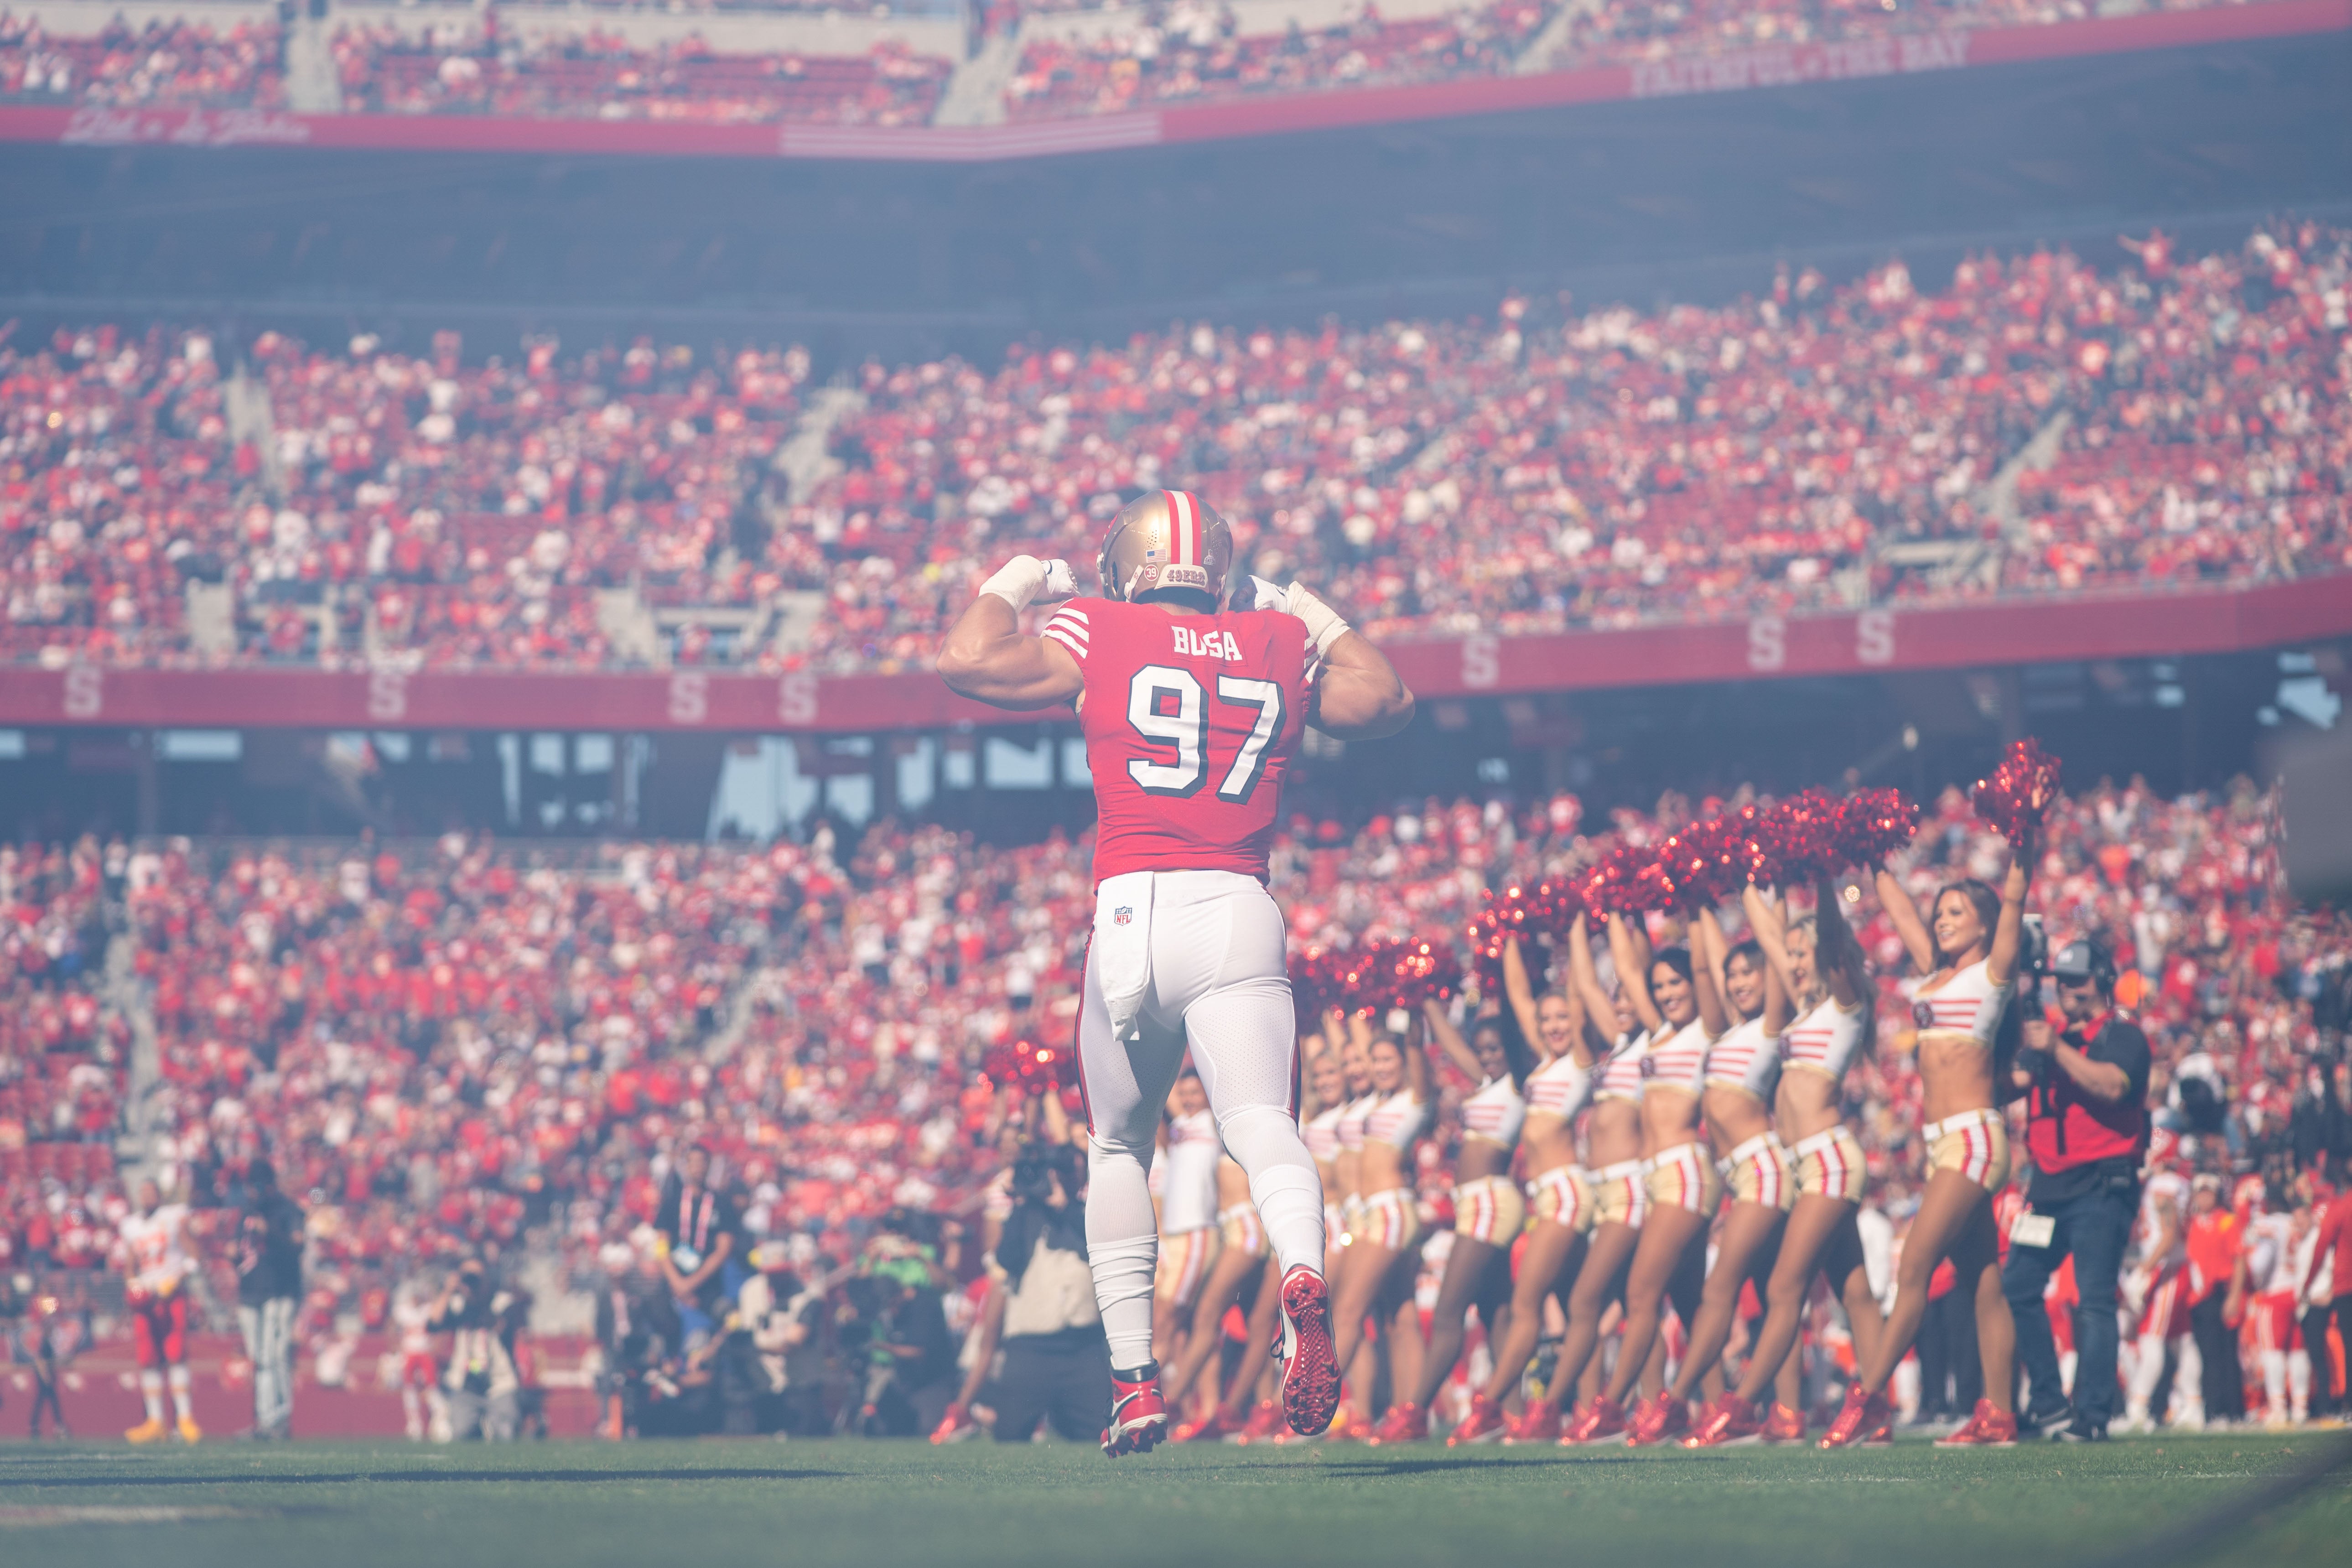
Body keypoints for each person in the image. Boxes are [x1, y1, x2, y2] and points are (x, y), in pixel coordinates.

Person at [936, 489, 1415, 1454]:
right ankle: (1300, 1276)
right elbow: (1386, 698)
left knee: (1116, 1146)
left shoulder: (1099, 626)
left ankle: (1134, 1387)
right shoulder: (1277, 641)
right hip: (1238, 905)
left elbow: (969, 660)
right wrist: (1305, 608)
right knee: (1260, 1122)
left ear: (1131, 567)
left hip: (1129, 910)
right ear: (1222, 574)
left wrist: (1016, 580)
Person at [1823, 819, 2043, 1449]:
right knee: (1983, 1282)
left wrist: (2024, 829)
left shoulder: (1991, 977)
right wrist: (1873, 858)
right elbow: (1896, 908)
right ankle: (1998, 1416)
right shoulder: (1931, 973)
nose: (1943, 920)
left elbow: (2018, 893)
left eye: (1956, 911)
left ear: (1983, 922)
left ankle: (1866, 1400)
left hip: (1975, 1139)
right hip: (1947, 1143)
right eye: (1940, 911)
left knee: (1913, 1265)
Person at [1689, 875, 1882, 1446]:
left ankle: (1742, 1405)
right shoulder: (1800, 1012)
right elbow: (1769, 934)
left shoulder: (1846, 1005)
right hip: (1807, 1168)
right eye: (1791, 954)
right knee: (1855, 1293)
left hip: (1828, 1162)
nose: (1795, 961)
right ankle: (1874, 1412)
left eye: (1805, 953)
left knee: (1782, 1288)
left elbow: (1828, 938)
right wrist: (1750, 869)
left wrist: (1821, 877)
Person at [1636, 903, 1790, 1445]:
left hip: (1762, 1169)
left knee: (1724, 1289)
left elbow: (1715, 968)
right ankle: (1782, 1413)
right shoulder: (1723, 1034)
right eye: (1734, 976)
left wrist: (1707, 902)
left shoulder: (1769, 1025)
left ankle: (1682, 1403)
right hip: (1739, 1174)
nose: (1738, 982)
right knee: (1781, 1294)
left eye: (1750, 974)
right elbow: (1706, 975)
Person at [1570, 913, 1725, 1445]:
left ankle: (1616, 1406)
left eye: (1674, 984)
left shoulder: (1706, 1031)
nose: (1664, 992)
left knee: (1641, 1293)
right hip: (1660, 1179)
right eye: (1658, 987)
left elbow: (1706, 967)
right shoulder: (1656, 1036)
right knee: (1686, 1301)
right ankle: (1716, 1405)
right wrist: (1609, 909)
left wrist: (1688, 907)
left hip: (1685, 1173)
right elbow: (1621, 975)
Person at [1994, 936, 2151, 1443]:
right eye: (2060, 981)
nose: (2066, 989)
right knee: (2017, 1285)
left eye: (2077, 980)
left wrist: (2055, 1048)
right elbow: (2004, 1086)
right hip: (2048, 1189)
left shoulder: (2124, 1037)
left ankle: (2092, 1416)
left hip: (2101, 1186)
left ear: (2102, 981)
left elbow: (2113, 1086)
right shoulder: (2048, 1039)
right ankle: (2049, 1405)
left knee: (2093, 1300)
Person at [1449, 931, 1594, 1445]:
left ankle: (1496, 1406)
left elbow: (1578, 995)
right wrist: (1509, 932)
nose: (1554, 1025)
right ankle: (1588, 1412)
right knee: (1581, 1307)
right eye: (1546, 1019)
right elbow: (1516, 994)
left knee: (1530, 1303)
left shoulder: (1579, 1061)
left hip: (1567, 1192)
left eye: (1562, 1018)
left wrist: (1573, 930)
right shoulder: (1541, 1066)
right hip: (1547, 1197)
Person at [1376, 994, 1530, 1443]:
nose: (1487, 1056)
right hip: (1476, 1204)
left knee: (1447, 1315)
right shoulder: (1487, 1081)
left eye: (1496, 1049)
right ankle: (1514, 1418)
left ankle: (1414, 1413)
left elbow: (1513, 1037)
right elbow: (1451, 1042)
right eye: (1481, 1050)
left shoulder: (1520, 1080)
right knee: (1494, 1314)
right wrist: (1426, 1001)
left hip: (1491, 1203)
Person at [990, 1142, 1111, 1443]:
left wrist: (1063, 1206)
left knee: (1100, 1437)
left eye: (1070, 1171)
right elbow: (1007, 1259)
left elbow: (1099, 1244)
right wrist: (1021, 1201)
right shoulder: (1024, 1215)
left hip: (1083, 1348)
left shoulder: (1092, 1214)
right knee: (1009, 1437)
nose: (1061, 1179)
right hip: (1029, 1347)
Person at [117, 1176, 201, 1444]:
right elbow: (130, 1263)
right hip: (147, 1298)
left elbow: (195, 1253)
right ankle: (155, 1421)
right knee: (148, 1357)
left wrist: (179, 1276)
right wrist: (133, 1283)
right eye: (143, 1193)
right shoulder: (131, 1225)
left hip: (172, 1292)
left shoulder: (172, 1218)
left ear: (160, 1196)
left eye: (151, 1193)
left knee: (176, 1354)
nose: (147, 1198)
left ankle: (185, 1417)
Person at [234, 1161, 306, 1441]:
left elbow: (297, 1246)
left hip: (281, 1289)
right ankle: (265, 1418)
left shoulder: (287, 1210)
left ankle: (278, 1418)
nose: (253, 1193)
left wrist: (271, 1234)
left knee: (274, 1355)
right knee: (262, 1358)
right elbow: (241, 1251)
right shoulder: (248, 1213)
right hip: (255, 1290)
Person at [657, 1145, 742, 1349]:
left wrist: (691, 1284)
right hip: (672, 1285)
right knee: (656, 1319)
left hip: (708, 1288)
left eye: (701, 1162)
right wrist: (678, 1283)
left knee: (729, 1319)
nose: (696, 1167)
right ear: (685, 1166)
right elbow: (661, 1246)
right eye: (692, 1162)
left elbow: (723, 1251)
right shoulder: (672, 1202)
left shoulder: (721, 1203)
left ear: (709, 1165)